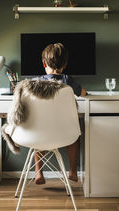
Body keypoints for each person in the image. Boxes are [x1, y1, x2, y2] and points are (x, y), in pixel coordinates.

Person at [34, 43, 86, 185]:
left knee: (38, 139)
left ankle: (39, 173)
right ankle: (73, 171)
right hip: (64, 131)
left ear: (44, 63)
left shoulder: (37, 82)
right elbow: (83, 93)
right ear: (65, 64)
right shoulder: (68, 80)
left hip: (43, 131)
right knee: (75, 136)